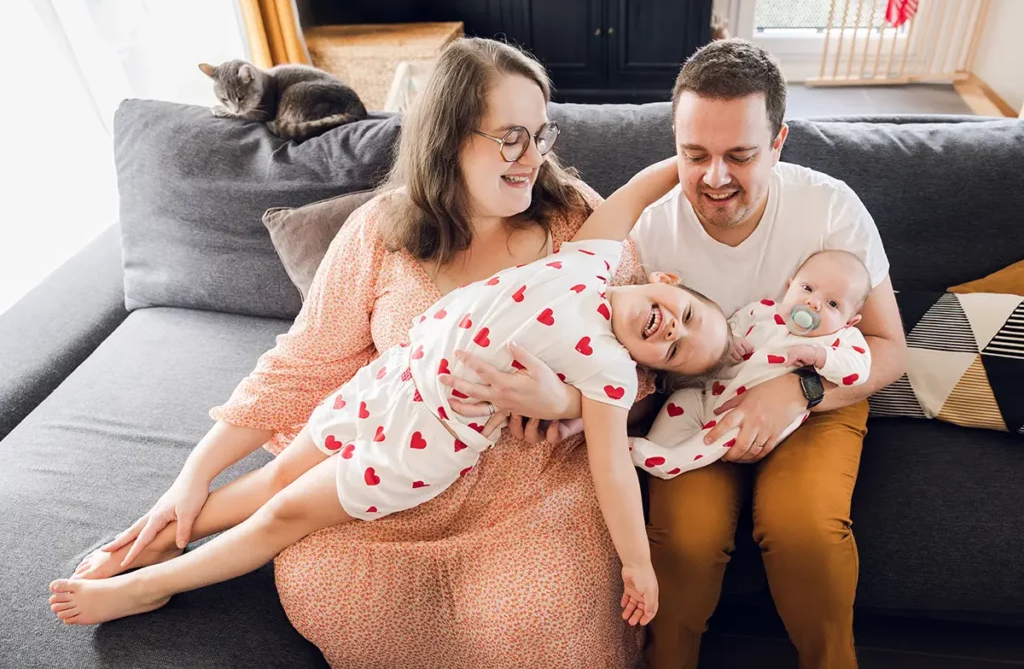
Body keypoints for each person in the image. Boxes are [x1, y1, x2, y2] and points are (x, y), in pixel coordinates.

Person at [59, 37, 672, 668]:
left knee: (535, 623)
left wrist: (563, 400)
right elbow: (301, 365)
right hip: (392, 466)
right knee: (326, 583)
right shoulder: (382, 231)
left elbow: (649, 363)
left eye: (541, 135)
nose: (531, 159)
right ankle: (154, 548)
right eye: (511, 136)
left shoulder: (577, 221)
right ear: (451, 136)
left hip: (530, 490)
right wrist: (191, 477)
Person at [49, 157, 736, 627]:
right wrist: (701, 164)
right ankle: (156, 541)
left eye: (674, 349)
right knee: (278, 472)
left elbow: (613, 471)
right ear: (668, 287)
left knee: (285, 510)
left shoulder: (610, 372)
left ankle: (147, 585)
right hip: (387, 382)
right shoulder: (594, 256)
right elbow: (642, 190)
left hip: (421, 442)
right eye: (685, 316)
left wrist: (639, 564)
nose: (668, 330)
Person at [444, 39, 907, 669]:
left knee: (803, 533)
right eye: (696, 155)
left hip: (813, 393)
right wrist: (574, 405)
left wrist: (799, 391)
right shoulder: (649, 230)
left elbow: (889, 349)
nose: (715, 178)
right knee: (684, 541)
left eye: (741, 155)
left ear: (778, 143)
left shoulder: (832, 209)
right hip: (695, 405)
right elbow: (601, 334)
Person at [630, 249, 872, 479]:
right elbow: (724, 333)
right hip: (709, 394)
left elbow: (858, 370)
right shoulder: (761, 311)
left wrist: (820, 356)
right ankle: (651, 447)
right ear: (788, 288)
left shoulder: (839, 338)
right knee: (682, 401)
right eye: (807, 288)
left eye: (832, 304)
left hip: (756, 418)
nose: (813, 303)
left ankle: (669, 463)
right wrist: (730, 343)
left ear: (851, 321)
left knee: (726, 430)